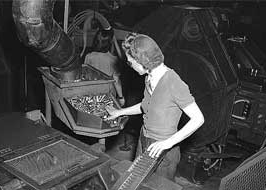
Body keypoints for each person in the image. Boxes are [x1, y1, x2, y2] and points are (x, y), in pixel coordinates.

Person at [106, 33, 204, 181]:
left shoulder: (173, 82)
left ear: (142, 61)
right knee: (137, 182)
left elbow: (198, 119)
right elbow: (146, 106)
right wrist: (119, 112)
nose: (130, 66)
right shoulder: (149, 77)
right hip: (144, 139)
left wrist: (167, 143)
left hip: (163, 150)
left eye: (130, 62)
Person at [84, 28, 125, 106]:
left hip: (92, 95)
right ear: (110, 43)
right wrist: (121, 97)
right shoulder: (113, 60)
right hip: (108, 97)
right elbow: (116, 81)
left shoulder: (88, 57)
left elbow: (86, 77)